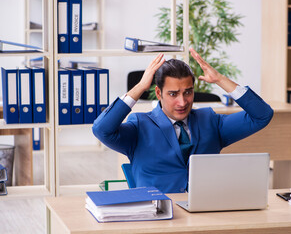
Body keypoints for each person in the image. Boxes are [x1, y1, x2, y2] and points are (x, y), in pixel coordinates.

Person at [92, 48, 273, 193]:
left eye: (188, 92)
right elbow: (101, 129)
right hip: (157, 216)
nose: (183, 102)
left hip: (205, 214)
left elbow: (262, 115)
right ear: (158, 93)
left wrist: (220, 80)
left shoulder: (210, 121)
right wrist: (140, 87)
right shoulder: (140, 126)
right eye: (173, 94)